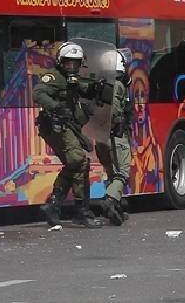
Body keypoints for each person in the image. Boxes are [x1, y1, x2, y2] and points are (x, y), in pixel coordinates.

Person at [33, 42, 103, 228]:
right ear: (60, 62)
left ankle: (54, 205)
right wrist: (56, 107)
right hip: (56, 126)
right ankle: (81, 211)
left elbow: (83, 89)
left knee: (77, 164)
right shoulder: (54, 77)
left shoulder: (75, 79)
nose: (71, 67)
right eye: (68, 63)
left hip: (69, 127)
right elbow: (38, 92)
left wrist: (96, 89)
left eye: (76, 63)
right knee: (78, 161)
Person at [95, 50, 133, 226]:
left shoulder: (100, 84)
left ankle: (115, 209)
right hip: (115, 136)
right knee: (122, 173)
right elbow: (115, 111)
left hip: (101, 138)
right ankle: (110, 200)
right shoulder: (117, 86)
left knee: (112, 173)